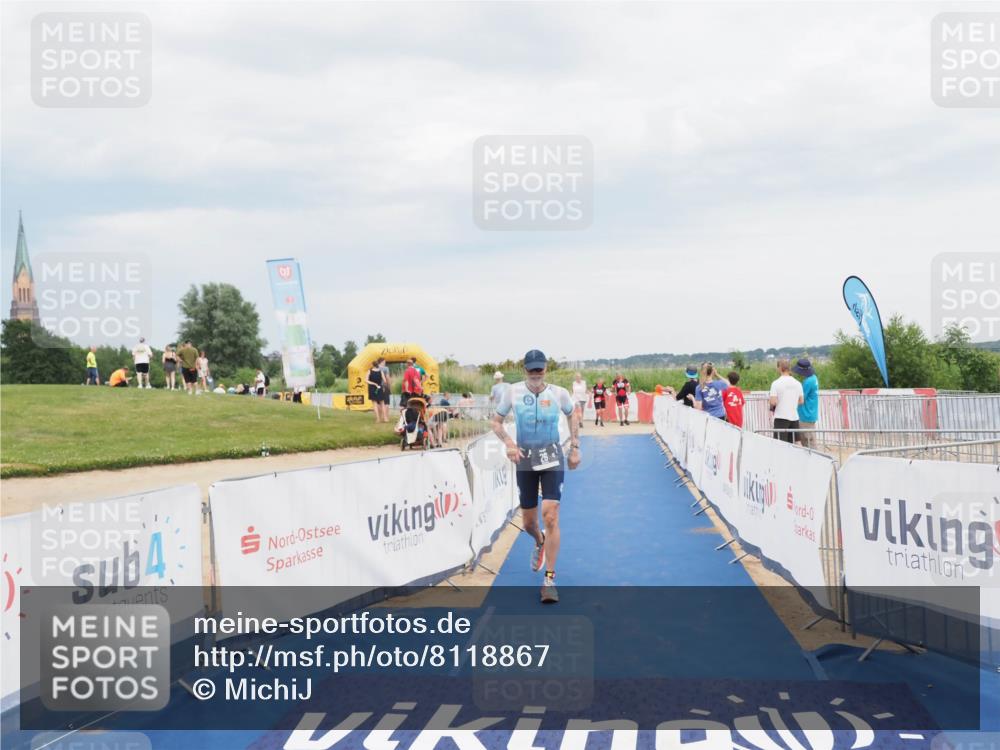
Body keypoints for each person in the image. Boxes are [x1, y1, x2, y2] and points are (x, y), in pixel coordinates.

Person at [492, 350, 580, 604]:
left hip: (552, 455)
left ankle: (549, 581)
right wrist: (509, 443)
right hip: (525, 458)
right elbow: (496, 422)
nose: (535, 374)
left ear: (545, 369)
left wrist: (575, 447)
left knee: (551, 515)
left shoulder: (559, 393)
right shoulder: (512, 392)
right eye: (531, 370)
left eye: (539, 370)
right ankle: (539, 540)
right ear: (525, 371)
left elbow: (572, 413)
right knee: (529, 523)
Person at [769, 359, 804, 443]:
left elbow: (773, 402)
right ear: (789, 368)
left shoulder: (776, 383)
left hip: (781, 417)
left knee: (780, 444)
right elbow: (801, 401)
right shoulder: (798, 383)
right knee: (796, 442)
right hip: (794, 417)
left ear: (779, 368)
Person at [793, 358, 819, 448]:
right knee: (810, 440)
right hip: (811, 413)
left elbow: (801, 398)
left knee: (808, 443)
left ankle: (815, 460)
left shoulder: (808, 382)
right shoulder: (814, 378)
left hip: (805, 415)